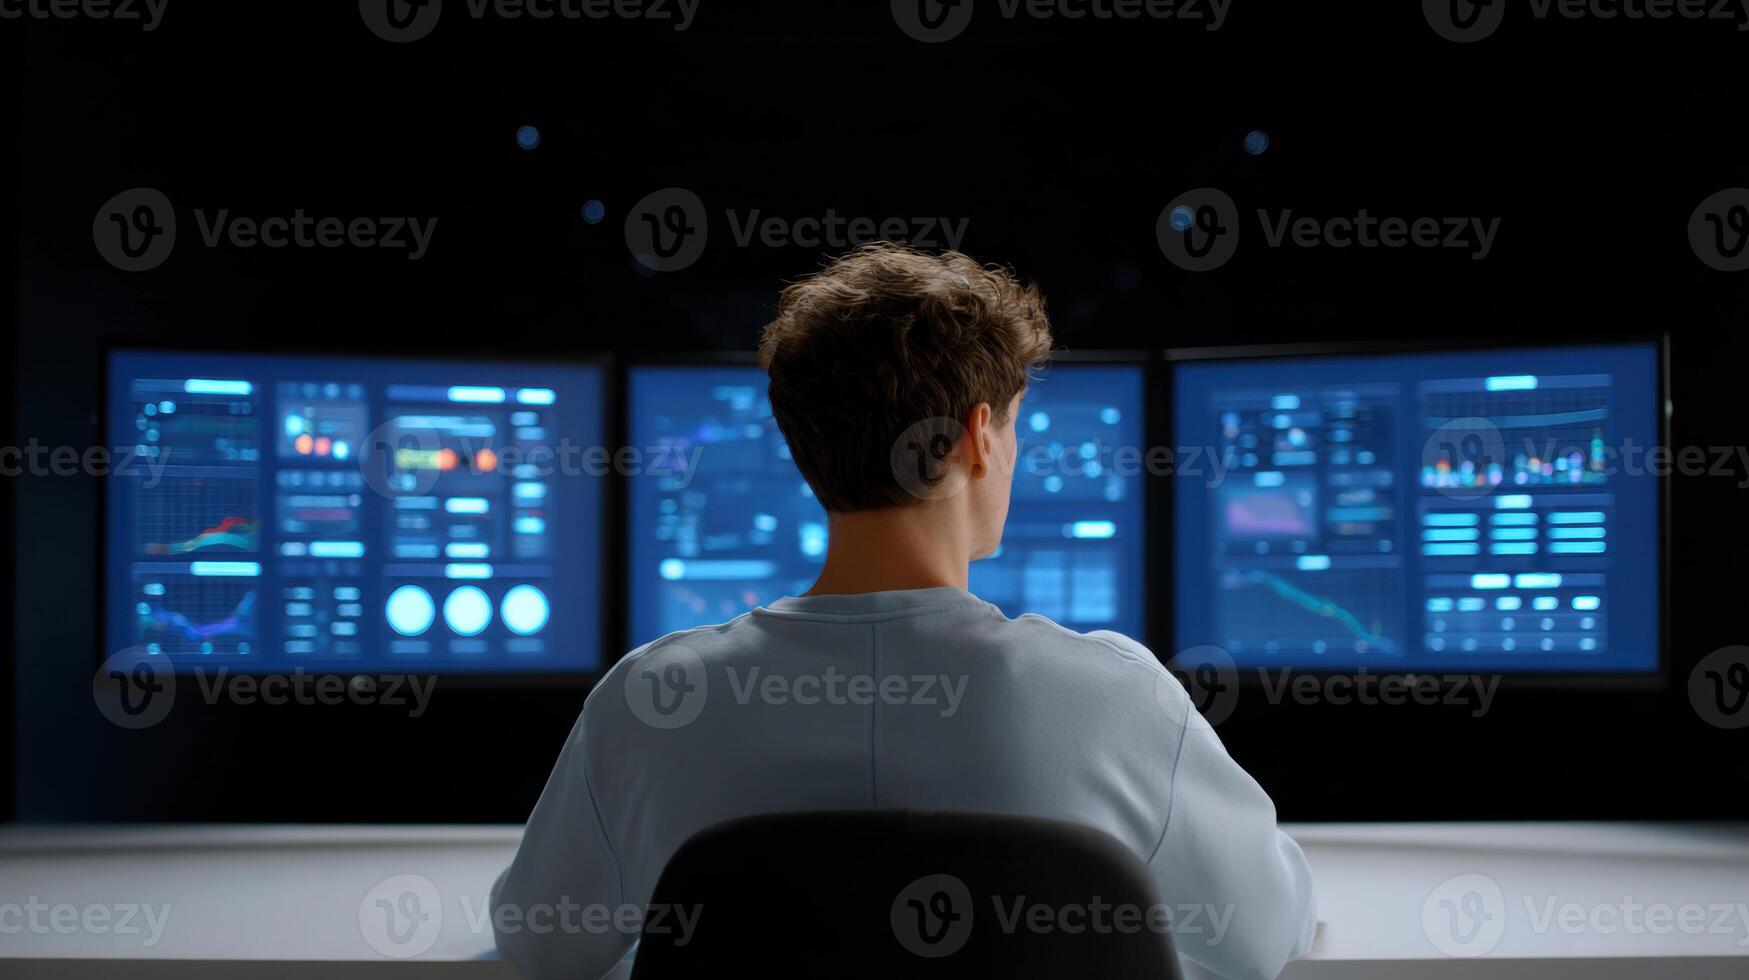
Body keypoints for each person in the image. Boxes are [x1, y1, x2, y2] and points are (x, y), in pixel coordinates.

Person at [491, 243, 1316, 979]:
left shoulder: (647, 705)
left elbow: (538, 945)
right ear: (977, 437)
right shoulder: (1121, 701)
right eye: (1015, 428)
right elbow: (1264, 938)